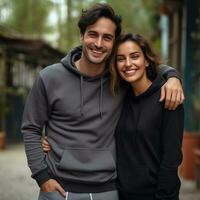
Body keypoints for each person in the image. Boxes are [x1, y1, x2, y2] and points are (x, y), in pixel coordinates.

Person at [21, 3, 184, 200]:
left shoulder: (119, 79)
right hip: (58, 189)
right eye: (93, 34)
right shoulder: (49, 78)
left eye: (107, 37)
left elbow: (143, 66)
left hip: (107, 190)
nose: (98, 43)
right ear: (82, 35)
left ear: (113, 43)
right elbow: (31, 128)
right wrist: (41, 176)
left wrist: (173, 76)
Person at [109, 33, 184, 200]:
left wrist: (163, 197)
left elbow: (171, 160)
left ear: (147, 60)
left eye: (134, 56)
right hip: (120, 195)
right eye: (121, 59)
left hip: (155, 195)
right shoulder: (119, 97)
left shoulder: (168, 96)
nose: (128, 64)